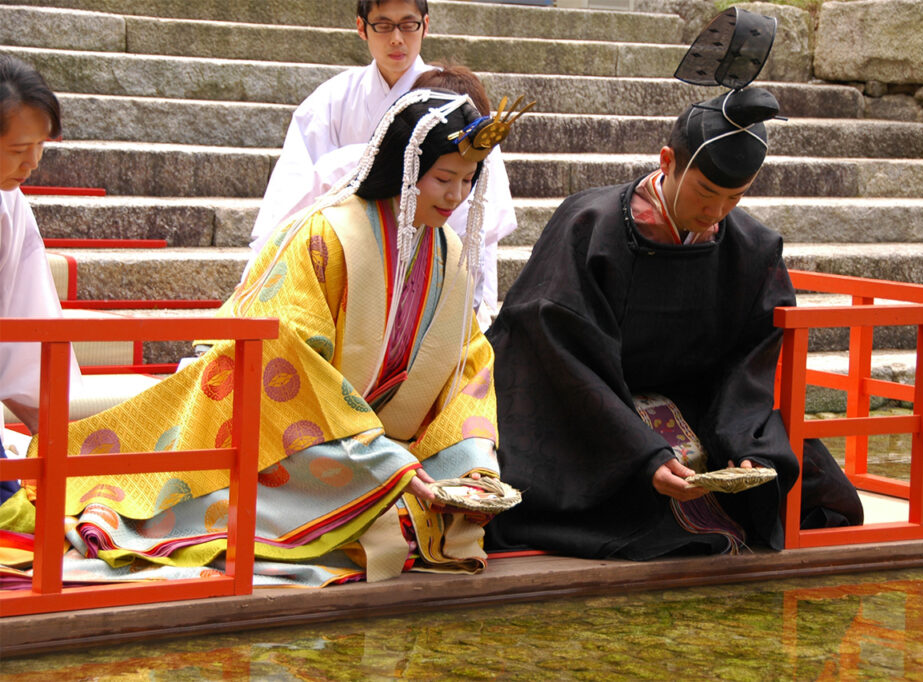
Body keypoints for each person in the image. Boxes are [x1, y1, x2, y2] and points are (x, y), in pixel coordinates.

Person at [0, 89, 529, 587]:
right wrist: (380, 459)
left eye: (467, 180)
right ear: (407, 169)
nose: (456, 196)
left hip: (381, 446)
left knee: (438, 523)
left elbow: (468, 365)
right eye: (444, 179)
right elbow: (285, 359)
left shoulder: (450, 257)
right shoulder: (326, 235)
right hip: (289, 438)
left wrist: (471, 461)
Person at [483, 83, 863, 560]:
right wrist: (642, 455)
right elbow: (556, 347)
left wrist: (744, 443)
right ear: (667, 161)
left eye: (735, 197)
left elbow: (750, 358)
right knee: (631, 513)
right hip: (590, 404)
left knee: (814, 498)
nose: (716, 212)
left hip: (693, 402)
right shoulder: (590, 225)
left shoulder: (753, 246)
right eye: (706, 192)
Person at [251, 0, 517, 321]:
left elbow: (476, 213)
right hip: (345, 261)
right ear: (362, 27)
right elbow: (290, 203)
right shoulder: (330, 101)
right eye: (383, 25)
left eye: (408, 25)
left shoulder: (456, 104)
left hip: (431, 263)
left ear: (425, 25)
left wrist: (471, 304)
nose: (396, 39)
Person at [0, 55, 80, 503]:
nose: (31, 163)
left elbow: (26, 313)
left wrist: (52, 428)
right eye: (17, 149)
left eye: (41, 147)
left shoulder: (9, 203)